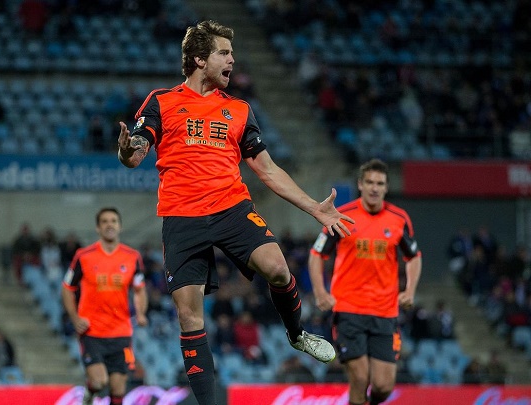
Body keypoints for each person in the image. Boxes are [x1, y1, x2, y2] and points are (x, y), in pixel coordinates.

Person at [116, 20, 353, 405]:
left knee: (278, 268)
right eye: (224, 53)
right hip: (182, 217)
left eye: (232, 53)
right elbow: (138, 151)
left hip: (231, 207)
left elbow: (268, 169)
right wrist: (128, 151)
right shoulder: (161, 101)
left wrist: (313, 208)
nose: (232, 60)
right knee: (190, 317)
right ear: (198, 59)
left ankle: (297, 334)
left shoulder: (239, 110)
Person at [308, 158, 422, 405]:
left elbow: (414, 257)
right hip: (349, 309)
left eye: (379, 183)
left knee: (383, 386)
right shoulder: (342, 216)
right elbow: (317, 254)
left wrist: (410, 290)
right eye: (369, 182)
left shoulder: (399, 219)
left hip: (385, 312)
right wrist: (320, 292)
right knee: (360, 379)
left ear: (386, 187)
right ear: (360, 184)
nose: (374, 187)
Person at [61, 208, 148, 405]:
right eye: (105, 221)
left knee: (118, 389)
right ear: (98, 228)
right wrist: (75, 318)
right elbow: (67, 288)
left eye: (114, 221)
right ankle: (89, 394)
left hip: (121, 333)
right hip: (92, 332)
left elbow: (140, 289)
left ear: (120, 226)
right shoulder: (83, 256)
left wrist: (141, 313)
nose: (110, 225)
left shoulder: (132, 257)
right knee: (99, 381)